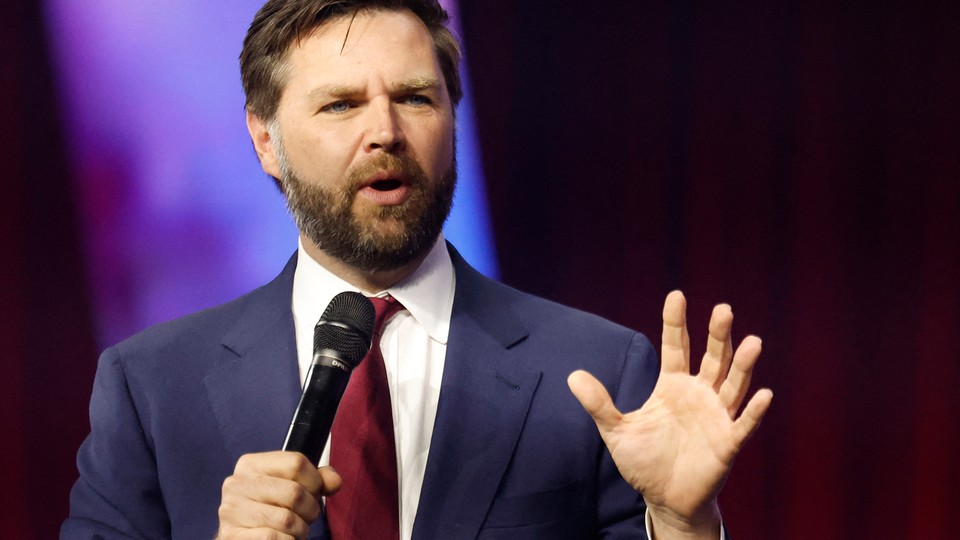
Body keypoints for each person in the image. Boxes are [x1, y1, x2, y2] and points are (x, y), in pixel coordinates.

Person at [62, 1, 772, 539]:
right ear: (265, 142)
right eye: (341, 104)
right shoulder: (150, 386)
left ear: (453, 118)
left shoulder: (598, 373)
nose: (386, 132)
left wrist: (683, 525)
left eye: (414, 98)